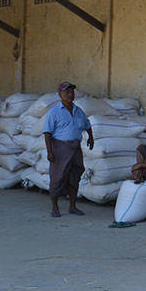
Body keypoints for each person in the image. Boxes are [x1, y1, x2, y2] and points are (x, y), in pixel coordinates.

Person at [43, 82, 93, 217]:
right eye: (67, 92)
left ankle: (72, 206)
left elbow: (87, 125)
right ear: (60, 94)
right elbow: (47, 133)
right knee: (57, 178)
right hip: (60, 148)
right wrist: (49, 152)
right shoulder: (54, 112)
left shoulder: (78, 111)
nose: (70, 95)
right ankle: (55, 208)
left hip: (75, 148)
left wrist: (91, 137)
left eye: (72, 92)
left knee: (74, 177)